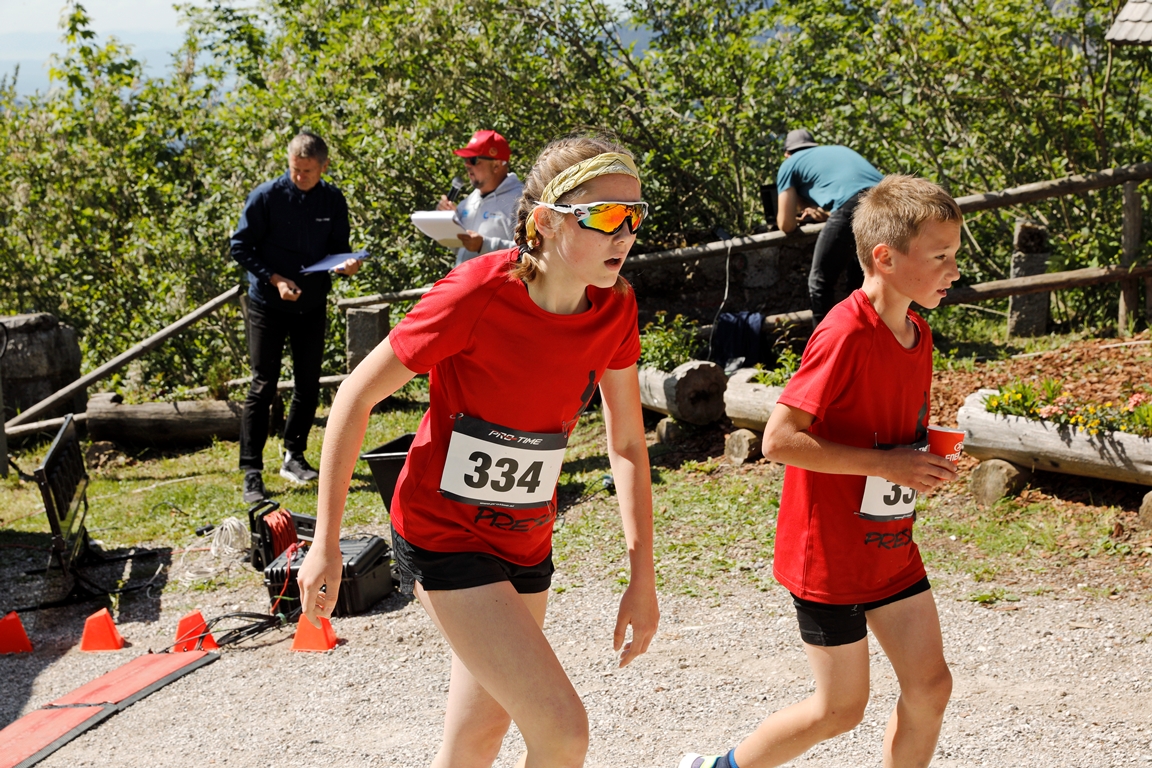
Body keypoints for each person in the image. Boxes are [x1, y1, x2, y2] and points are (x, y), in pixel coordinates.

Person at [298, 135, 659, 767]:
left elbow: (628, 441)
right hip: (444, 534)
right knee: (562, 731)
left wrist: (642, 577)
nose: (625, 234)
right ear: (545, 221)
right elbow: (356, 395)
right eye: (605, 216)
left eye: (635, 215)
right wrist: (325, 542)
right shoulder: (475, 292)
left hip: (525, 538)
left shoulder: (615, 307)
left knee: (476, 739)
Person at [681, 175, 962, 768]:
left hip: (889, 546)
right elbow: (779, 440)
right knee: (839, 709)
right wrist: (890, 464)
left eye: (954, 255)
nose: (954, 270)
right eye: (940, 256)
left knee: (931, 687)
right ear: (885, 258)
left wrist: (921, 459)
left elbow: (879, 429)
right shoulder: (845, 331)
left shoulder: (918, 332)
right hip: (829, 557)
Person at [231, 132, 363, 504]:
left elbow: (339, 251)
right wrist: (275, 280)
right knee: (263, 384)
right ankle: (252, 471)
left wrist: (347, 265)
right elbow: (240, 246)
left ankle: (295, 455)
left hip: (312, 303)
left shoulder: (332, 199)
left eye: (308, 171)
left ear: (324, 166)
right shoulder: (266, 197)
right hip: (268, 303)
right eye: (295, 169)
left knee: (308, 383)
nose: (300, 176)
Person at [775, 128, 884, 329]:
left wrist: (797, 214)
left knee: (820, 282)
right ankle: (872, 336)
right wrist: (824, 214)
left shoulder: (789, 164)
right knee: (864, 279)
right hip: (887, 201)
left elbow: (786, 224)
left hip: (854, 204)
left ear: (787, 153)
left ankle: (826, 343)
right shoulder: (837, 150)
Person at [437, 129, 524, 266]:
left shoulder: (521, 200)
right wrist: (449, 222)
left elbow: (529, 252)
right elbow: (457, 249)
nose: (467, 164)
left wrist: (484, 245)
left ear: (496, 165)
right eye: (466, 159)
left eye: (473, 160)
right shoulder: (467, 203)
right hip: (463, 279)